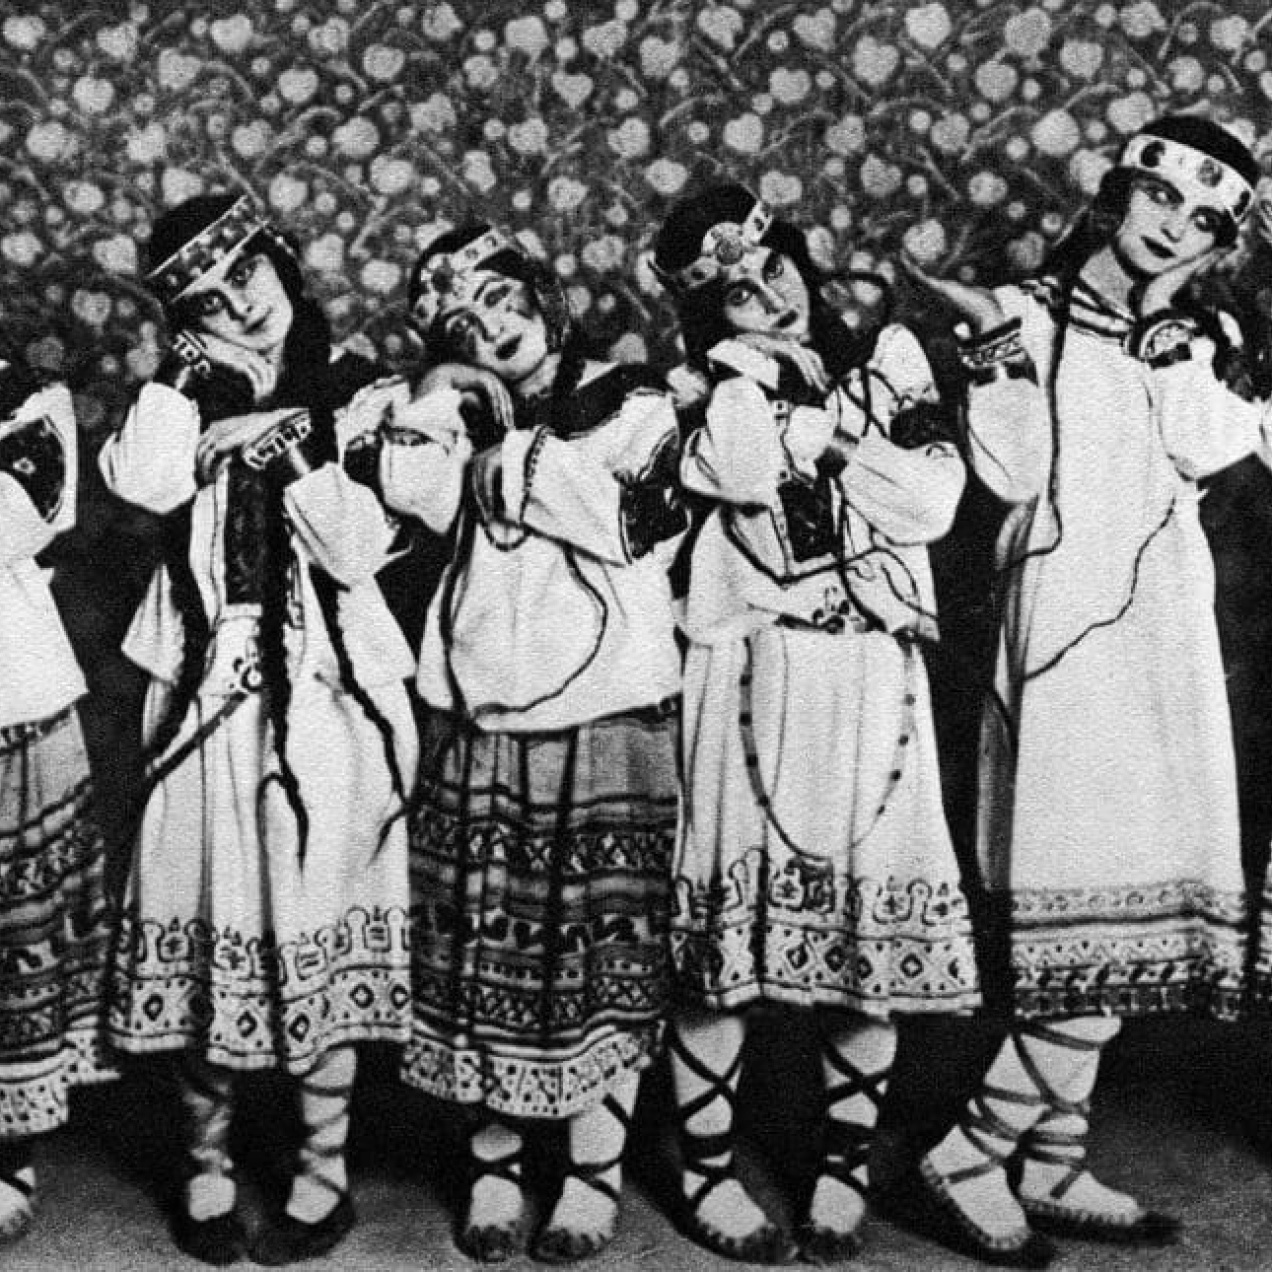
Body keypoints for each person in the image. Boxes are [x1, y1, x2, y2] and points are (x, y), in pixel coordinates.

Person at [898, 115, 1272, 1267]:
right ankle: (970, 1146)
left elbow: (1216, 452)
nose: (1176, 229)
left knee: (1143, 885)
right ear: (1118, 191)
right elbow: (1005, 476)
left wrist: (1181, 346)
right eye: (1164, 200)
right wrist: (1001, 354)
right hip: (1061, 630)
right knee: (1092, 882)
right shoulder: (1023, 312)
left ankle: (1051, 1152)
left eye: (1209, 222)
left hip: (1164, 624)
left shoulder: (1198, 332)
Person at [650, 184, 981, 1263]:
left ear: (801, 256)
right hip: (752, 667)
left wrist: (825, 434)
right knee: (724, 952)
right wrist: (751, 383)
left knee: (867, 940)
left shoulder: (888, 361)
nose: (766, 298)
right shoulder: (700, 392)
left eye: (773, 268)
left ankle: (841, 1168)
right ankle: (704, 1168)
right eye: (736, 296)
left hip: (874, 671)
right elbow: (740, 473)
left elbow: (932, 504)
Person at [99, 192, 418, 1265]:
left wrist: (274, 442)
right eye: (207, 302)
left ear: (284, 263)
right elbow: (143, 480)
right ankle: (204, 1166)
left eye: (250, 277)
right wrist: (193, 383)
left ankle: (323, 1168)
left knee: (318, 911)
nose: (241, 307)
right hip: (205, 685)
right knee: (205, 909)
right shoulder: (183, 398)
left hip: (328, 692)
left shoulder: (360, 396)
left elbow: (355, 548)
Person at [380, 223, 685, 1263]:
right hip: (483, 713)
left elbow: (630, 521)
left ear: (547, 300)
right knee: (484, 946)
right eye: (462, 318)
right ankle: (496, 1169)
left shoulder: (632, 399)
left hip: (607, 712)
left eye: (504, 301)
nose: (491, 328)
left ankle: (593, 1177)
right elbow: (408, 499)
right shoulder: (449, 405)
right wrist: (438, 390)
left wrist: (502, 452)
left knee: (605, 952)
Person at [0, 359, 114, 1242]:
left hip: (15, 703)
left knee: (15, 934)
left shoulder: (31, 403)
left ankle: (9, 1144)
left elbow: (23, 520)